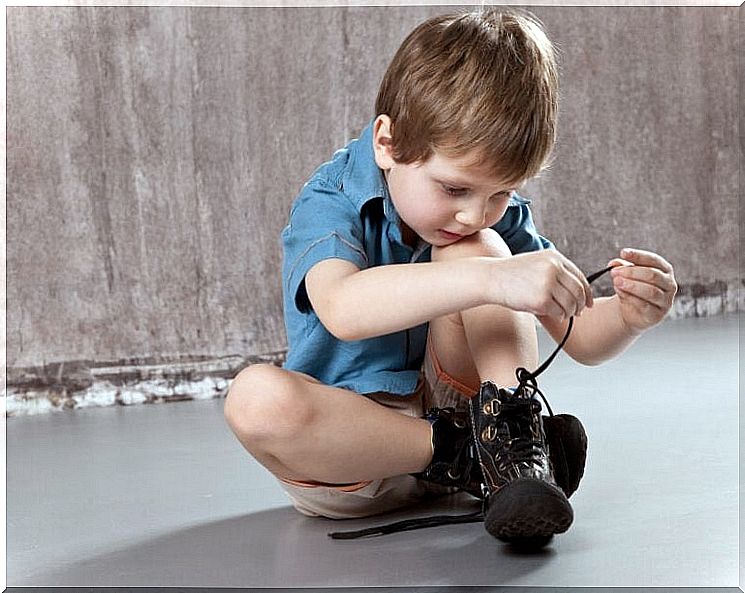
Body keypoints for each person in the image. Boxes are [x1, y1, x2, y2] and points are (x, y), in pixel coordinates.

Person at [224, 8, 677, 545]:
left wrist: (628, 316)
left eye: (501, 193)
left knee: (481, 249)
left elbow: (580, 339)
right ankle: (467, 455)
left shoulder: (484, 219)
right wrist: (494, 279)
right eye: (455, 190)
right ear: (386, 143)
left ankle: (513, 448)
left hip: (465, 409)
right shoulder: (332, 199)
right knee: (255, 399)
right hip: (354, 456)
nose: (475, 213)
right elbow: (344, 309)